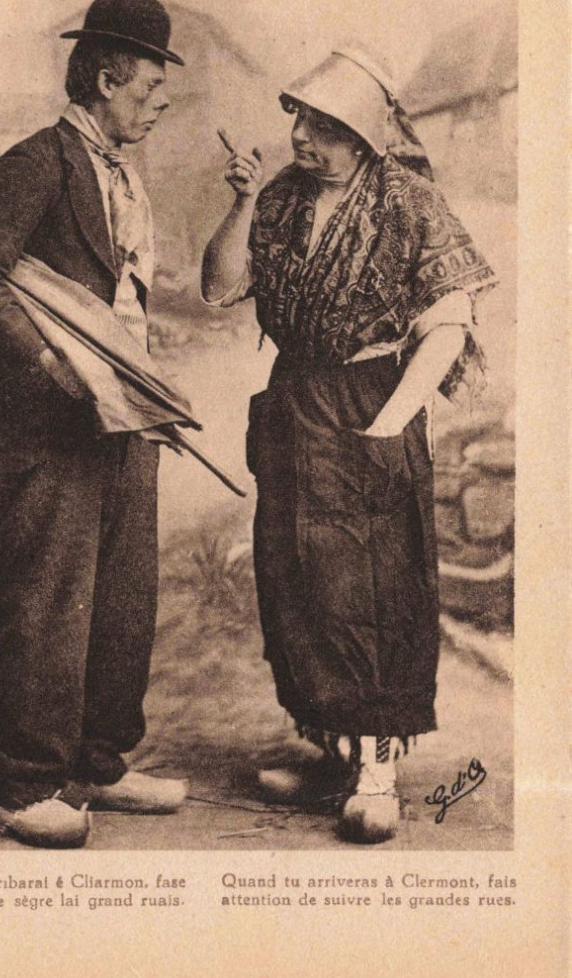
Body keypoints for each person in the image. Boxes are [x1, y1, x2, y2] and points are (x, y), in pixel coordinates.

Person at [201, 47, 497, 843]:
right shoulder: (279, 198)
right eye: (300, 119)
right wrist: (236, 203)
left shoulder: (408, 201)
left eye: (327, 127)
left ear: (365, 134)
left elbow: (447, 321)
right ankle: (332, 752)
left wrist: (390, 421)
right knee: (294, 579)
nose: (304, 137)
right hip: (296, 401)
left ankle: (377, 773)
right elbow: (219, 287)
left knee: (366, 587)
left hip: (370, 401)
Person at [0, 0, 188, 848]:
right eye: (152, 89)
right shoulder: (36, 162)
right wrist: (53, 365)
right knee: (48, 602)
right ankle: (20, 786)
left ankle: (95, 766)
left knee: (122, 600)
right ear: (108, 77)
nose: (160, 105)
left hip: (120, 419)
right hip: (42, 424)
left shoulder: (121, 173)